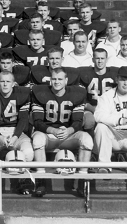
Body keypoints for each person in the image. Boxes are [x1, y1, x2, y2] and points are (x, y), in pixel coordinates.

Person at [31, 68, 93, 196]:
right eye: (54, 79)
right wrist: (52, 130)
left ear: (66, 81)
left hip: (68, 135)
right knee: (37, 139)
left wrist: (70, 130)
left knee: (86, 139)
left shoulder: (77, 94)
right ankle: (41, 182)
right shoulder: (40, 93)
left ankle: (82, 182)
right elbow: (37, 121)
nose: (56, 82)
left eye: (60, 79)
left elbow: (77, 120)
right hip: (48, 134)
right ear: (50, 80)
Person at [0, 71, 33, 194]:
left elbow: (23, 120)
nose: (5, 84)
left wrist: (15, 137)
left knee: (28, 152)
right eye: (2, 81)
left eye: (8, 81)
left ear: (14, 83)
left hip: (16, 132)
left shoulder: (22, 95)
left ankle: (22, 181)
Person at [78, 48, 118, 131]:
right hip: (91, 108)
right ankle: (89, 142)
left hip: (109, 109)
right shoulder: (84, 73)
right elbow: (80, 98)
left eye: (102, 58)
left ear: (107, 59)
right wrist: (92, 108)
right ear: (93, 59)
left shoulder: (115, 73)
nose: (100, 61)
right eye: (97, 58)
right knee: (89, 121)